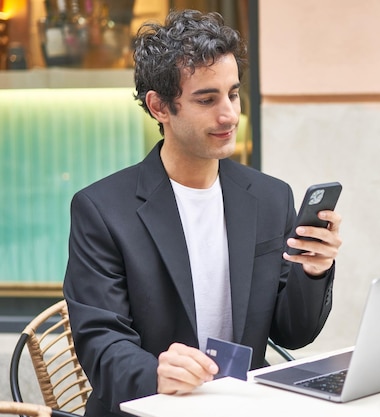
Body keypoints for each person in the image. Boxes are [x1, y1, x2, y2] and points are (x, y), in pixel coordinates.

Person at [63, 9, 342, 417]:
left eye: (232, 93)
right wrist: (157, 371)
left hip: (242, 407)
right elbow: (100, 343)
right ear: (160, 107)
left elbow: (293, 332)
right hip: (149, 409)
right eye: (207, 99)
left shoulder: (270, 197)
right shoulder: (102, 209)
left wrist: (314, 271)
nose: (229, 114)